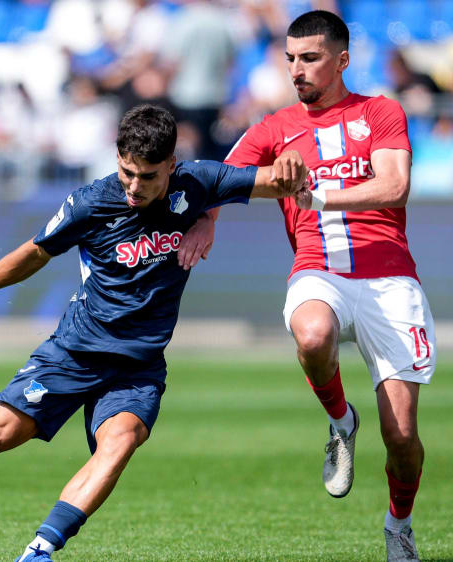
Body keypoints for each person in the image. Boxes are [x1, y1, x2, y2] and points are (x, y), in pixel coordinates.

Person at [0, 104, 307, 561]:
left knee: (120, 443)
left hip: (137, 367)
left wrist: (285, 172)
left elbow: (276, 181)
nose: (134, 186)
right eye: (127, 172)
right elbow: (34, 252)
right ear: (117, 159)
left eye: (148, 176)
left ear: (172, 165)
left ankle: (40, 550)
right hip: (74, 353)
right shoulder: (91, 203)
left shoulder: (199, 182)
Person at [179, 11, 433, 562]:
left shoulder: (379, 112)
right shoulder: (274, 128)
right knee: (313, 334)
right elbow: (221, 178)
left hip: (389, 277)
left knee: (402, 439)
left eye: (311, 58)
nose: (297, 69)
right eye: (290, 58)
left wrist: (314, 195)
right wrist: (206, 220)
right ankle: (341, 421)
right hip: (318, 269)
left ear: (342, 61)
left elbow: (395, 185)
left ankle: (399, 523)